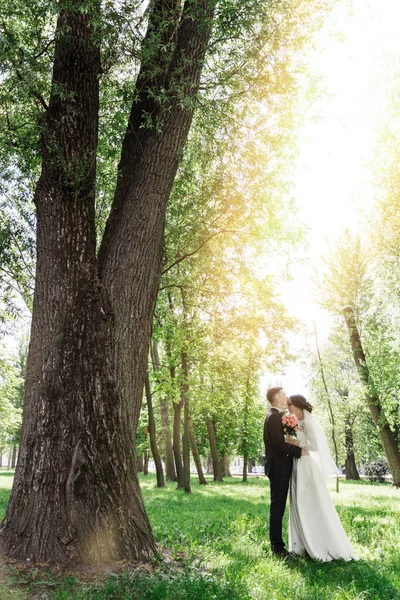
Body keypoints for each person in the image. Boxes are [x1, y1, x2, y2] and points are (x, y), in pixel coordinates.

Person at [286, 394, 357, 562]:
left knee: (309, 502)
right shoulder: (293, 422)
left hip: (306, 466)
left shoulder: (308, 423)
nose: (288, 407)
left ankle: (318, 543)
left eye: (290, 404)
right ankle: (301, 544)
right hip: (296, 465)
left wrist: (295, 443)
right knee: (297, 502)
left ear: (296, 405)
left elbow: (315, 445)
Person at [264, 387, 302, 557]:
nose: (286, 397)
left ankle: (278, 545)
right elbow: (279, 445)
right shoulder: (273, 418)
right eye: (283, 395)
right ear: (277, 398)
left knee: (279, 507)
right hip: (278, 469)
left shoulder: (277, 416)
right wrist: (299, 451)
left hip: (282, 468)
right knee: (277, 508)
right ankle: (277, 547)